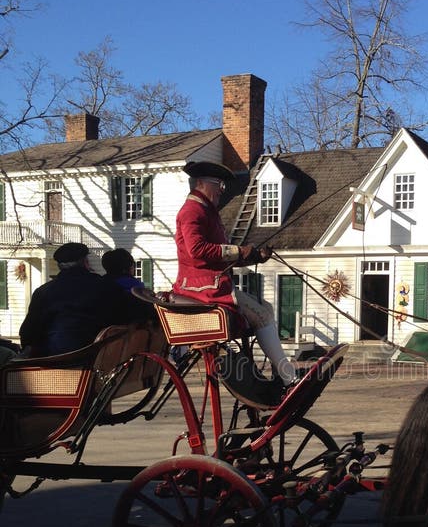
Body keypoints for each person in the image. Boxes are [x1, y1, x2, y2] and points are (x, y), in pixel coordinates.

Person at [172, 160, 297, 392]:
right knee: (261, 314)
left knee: (266, 308)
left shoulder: (207, 212)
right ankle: (289, 377)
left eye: (222, 184)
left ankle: (278, 378)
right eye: (217, 184)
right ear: (200, 183)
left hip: (213, 285)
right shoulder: (192, 211)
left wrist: (254, 257)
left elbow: (220, 255)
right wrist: (239, 251)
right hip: (201, 290)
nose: (222, 189)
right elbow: (197, 250)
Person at [19, 242, 150, 357]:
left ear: (60, 266)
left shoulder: (43, 292)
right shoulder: (105, 287)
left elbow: (28, 332)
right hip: (97, 356)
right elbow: (132, 313)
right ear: (85, 262)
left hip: (55, 357)